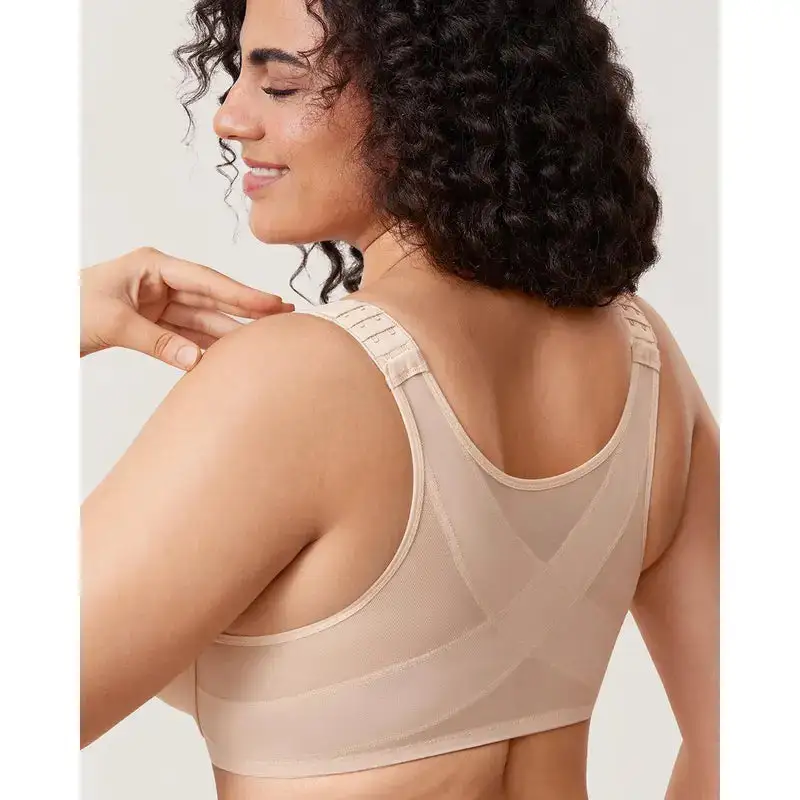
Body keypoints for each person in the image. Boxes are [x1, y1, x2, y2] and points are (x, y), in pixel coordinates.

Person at [80, 1, 720, 799]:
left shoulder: (301, 384)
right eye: (237, 72)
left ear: (426, 99)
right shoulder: (645, 360)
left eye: (279, 85)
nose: (229, 117)